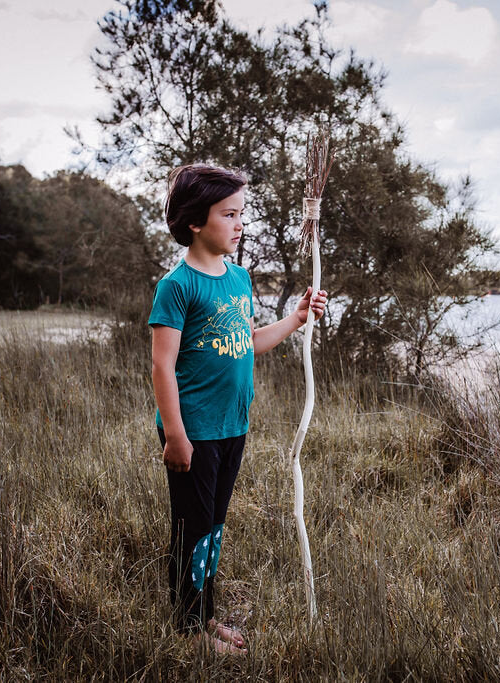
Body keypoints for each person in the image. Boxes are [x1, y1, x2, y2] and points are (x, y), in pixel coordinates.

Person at [149, 164, 327, 654]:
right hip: (193, 431)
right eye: (229, 214)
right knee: (192, 529)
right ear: (194, 222)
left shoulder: (239, 278)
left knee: (214, 527)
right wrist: (175, 435)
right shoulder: (178, 286)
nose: (239, 224)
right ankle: (189, 632)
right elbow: (163, 367)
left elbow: (247, 342)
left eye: (241, 214)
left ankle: (203, 619)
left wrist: (296, 318)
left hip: (233, 427)